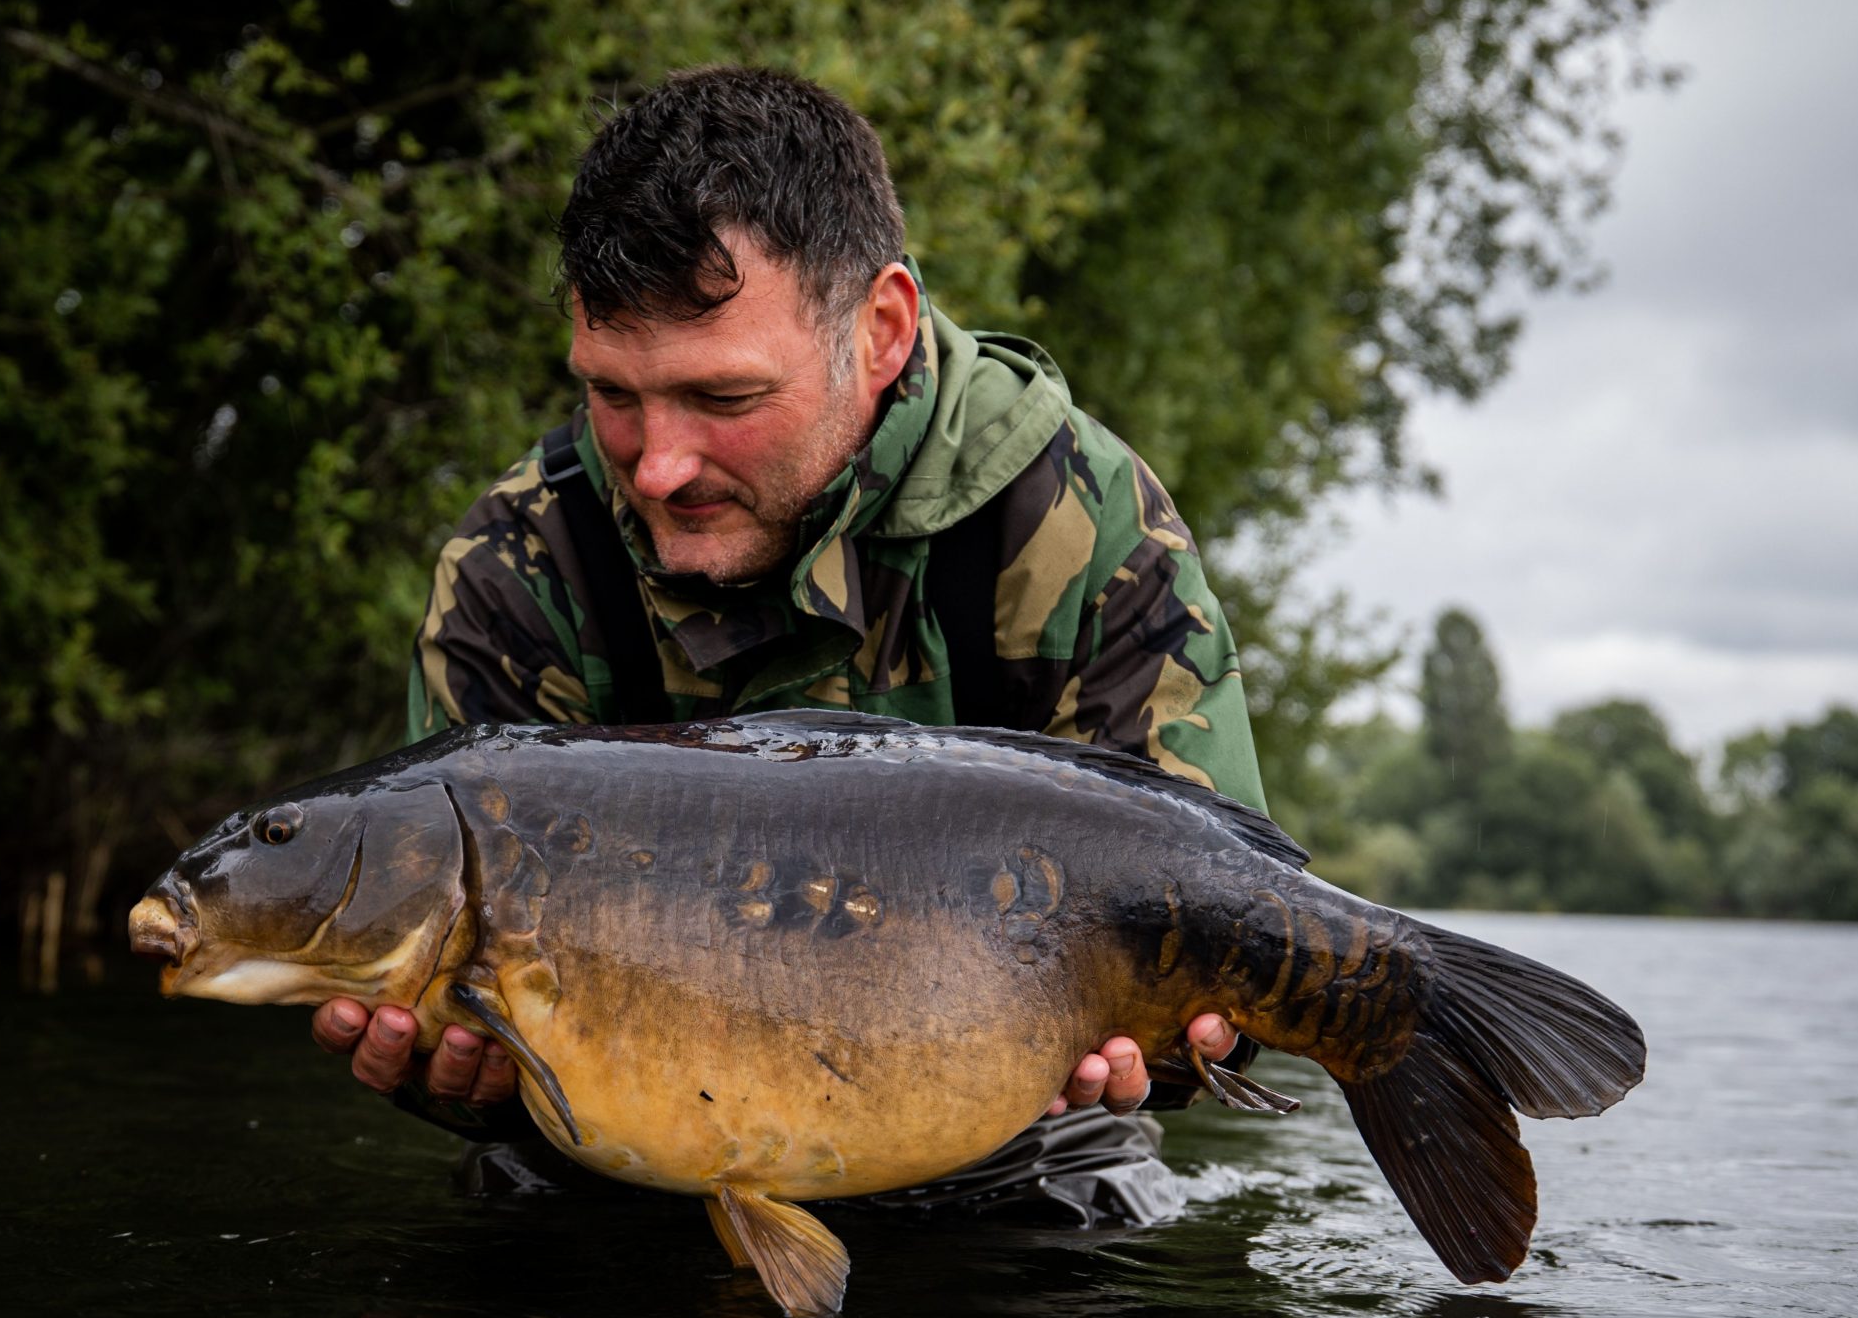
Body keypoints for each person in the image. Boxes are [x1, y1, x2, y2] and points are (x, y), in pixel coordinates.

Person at [314, 65, 1264, 1224]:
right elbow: (461, 1018)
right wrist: (454, 1075)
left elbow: (1232, 952)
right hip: (627, 1153)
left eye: (721, 398)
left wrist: (1169, 1047)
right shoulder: (524, 560)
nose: (656, 464)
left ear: (880, 330)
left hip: (1017, 1141)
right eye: (613, 395)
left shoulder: (1074, 523)